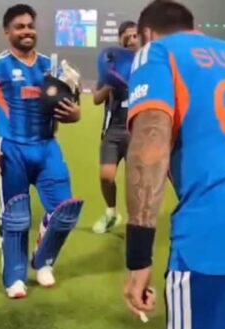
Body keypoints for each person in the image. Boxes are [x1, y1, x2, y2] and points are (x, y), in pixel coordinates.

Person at [122, 1, 225, 329]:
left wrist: (138, 257)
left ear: (147, 33)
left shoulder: (156, 53)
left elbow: (149, 148)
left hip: (209, 242)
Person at [0, 4, 83, 299]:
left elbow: (72, 107)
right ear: (7, 31)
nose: (27, 31)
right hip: (12, 149)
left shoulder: (51, 66)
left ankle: (43, 261)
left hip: (47, 147)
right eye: (19, 26)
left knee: (65, 212)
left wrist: (75, 114)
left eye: (30, 25)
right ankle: (15, 278)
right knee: (16, 217)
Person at [91, 20, 139, 234]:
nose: (132, 40)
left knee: (136, 182)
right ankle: (111, 213)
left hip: (137, 131)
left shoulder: (146, 64)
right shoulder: (111, 66)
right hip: (113, 130)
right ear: (120, 39)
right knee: (106, 176)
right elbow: (96, 99)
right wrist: (111, 83)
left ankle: (136, 221)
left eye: (135, 36)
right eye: (127, 36)